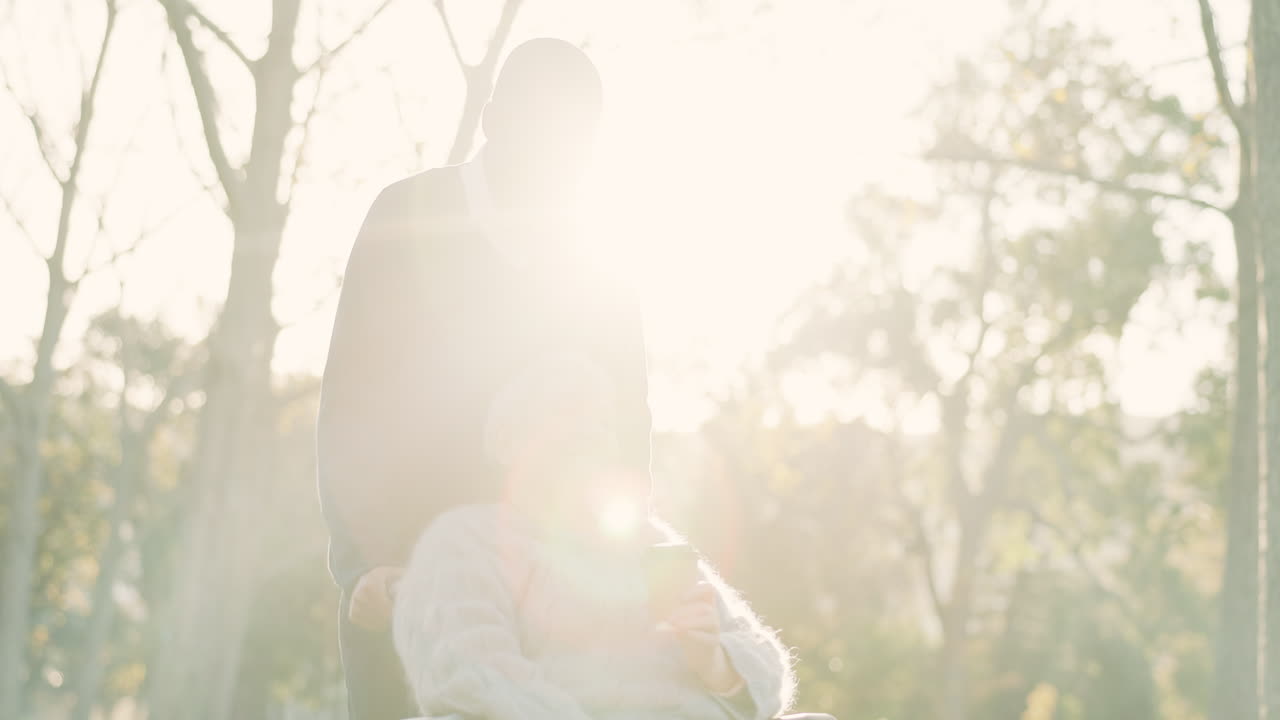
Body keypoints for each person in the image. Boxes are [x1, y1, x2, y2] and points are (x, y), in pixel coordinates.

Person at [315, 38, 650, 720]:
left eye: (577, 142)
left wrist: (607, 577)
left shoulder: (601, 264)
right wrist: (369, 564)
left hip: (540, 603)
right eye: (545, 132)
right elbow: (351, 406)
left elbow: (625, 436)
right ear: (495, 118)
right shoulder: (406, 216)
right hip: (405, 583)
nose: (562, 157)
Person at [391, 356, 797, 720]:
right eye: (563, 415)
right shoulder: (463, 542)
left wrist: (714, 663)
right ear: (507, 443)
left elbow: (764, 665)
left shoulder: (644, 536)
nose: (587, 433)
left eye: (599, 421)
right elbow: (473, 678)